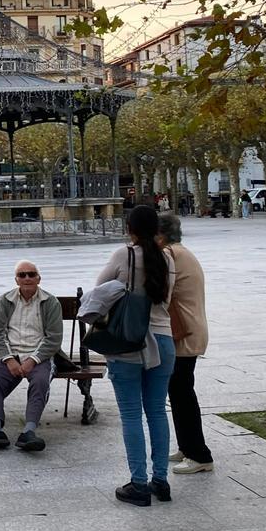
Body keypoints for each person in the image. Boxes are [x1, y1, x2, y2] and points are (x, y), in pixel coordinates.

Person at [95, 204, 176, 507]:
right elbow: (166, 298)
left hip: (129, 341)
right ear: (156, 229)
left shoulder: (123, 255)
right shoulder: (167, 258)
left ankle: (139, 483)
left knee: (131, 414)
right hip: (164, 341)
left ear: (129, 228)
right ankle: (161, 480)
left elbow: (99, 291)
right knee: (157, 411)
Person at [0, 260, 63, 452]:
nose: (27, 278)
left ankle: (29, 432)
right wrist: (9, 359)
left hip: (39, 356)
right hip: (11, 355)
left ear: (39, 278)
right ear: (16, 280)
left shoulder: (50, 302)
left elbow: (54, 338)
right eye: (22, 275)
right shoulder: (5, 300)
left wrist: (32, 360)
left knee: (40, 382)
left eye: (31, 274)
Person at [157, 214, 213, 475]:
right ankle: (186, 446)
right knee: (179, 391)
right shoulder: (182, 252)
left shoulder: (169, 254)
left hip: (183, 333)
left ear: (160, 236)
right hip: (190, 330)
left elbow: (160, 294)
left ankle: (199, 454)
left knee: (182, 393)